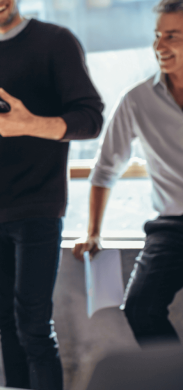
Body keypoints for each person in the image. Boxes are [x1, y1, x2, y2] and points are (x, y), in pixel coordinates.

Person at [0, 0, 104, 388]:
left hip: (39, 206)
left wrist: (32, 124)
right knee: (6, 323)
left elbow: (91, 119)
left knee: (34, 328)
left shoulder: (56, 41)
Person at [73, 0, 183, 347]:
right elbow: (105, 169)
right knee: (139, 308)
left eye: (172, 36)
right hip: (171, 228)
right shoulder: (136, 100)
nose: (159, 46)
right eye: (157, 36)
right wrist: (93, 232)